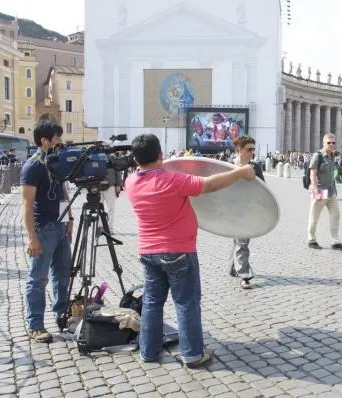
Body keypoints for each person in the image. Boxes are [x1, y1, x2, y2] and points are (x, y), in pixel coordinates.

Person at [124, 134, 255, 368]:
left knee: (153, 302)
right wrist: (239, 172)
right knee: (186, 303)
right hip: (178, 251)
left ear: (135, 159)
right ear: (159, 154)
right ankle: (193, 354)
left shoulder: (131, 182)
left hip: (147, 252)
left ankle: (148, 351)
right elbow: (209, 184)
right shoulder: (171, 180)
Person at [20, 120, 73, 343]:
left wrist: (70, 218)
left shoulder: (56, 163)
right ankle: (36, 325)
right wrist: (32, 238)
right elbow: (26, 203)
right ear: (44, 140)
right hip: (44, 228)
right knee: (37, 278)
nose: (58, 142)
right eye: (56, 138)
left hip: (61, 226)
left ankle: (62, 315)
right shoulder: (33, 166)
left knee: (62, 275)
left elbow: (63, 190)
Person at [227, 136, 264, 289]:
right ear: (239, 150)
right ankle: (244, 275)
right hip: (232, 209)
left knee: (240, 241)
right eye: (249, 149)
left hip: (248, 210)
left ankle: (234, 267)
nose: (252, 153)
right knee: (241, 242)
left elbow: (263, 189)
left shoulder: (256, 167)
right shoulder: (228, 166)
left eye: (253, 149)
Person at [307, 133, 342, 250]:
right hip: (320, 189)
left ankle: (335, 241)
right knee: (315, 215)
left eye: (333, 143)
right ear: (323, 143)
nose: (331, 144)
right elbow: (313, 173)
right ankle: (312, 239)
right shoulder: (318, 155)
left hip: (331, 191)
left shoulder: (332, 156)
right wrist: (315, 189)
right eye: (329, 142)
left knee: (335, 214)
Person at [100, 153, 123, 234]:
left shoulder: (112, 158)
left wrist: (118, 185)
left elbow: (118, 172)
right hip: (101, 186)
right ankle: (103, 227)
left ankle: (108, 228)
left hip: (108, 186)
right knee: (104, 209)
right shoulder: (96, 157)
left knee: (109, 209)